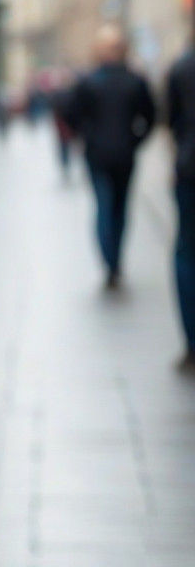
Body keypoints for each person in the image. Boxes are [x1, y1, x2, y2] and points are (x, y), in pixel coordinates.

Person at [65, 23, 156, 289]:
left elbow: (71, 115)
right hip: (125, 153)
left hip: (97, 154)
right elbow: (150, 116)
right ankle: (115, 259)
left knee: (104, 206)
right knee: (120, 208)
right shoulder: (135, 80)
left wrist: (86, 136)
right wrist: (135, 141)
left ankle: (110, 261)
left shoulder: (89, 81)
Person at [166, 40, 195, 373]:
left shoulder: (183, 67)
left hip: (189, 168)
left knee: (186, 252)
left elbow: (171, 121)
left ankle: (191, 341)